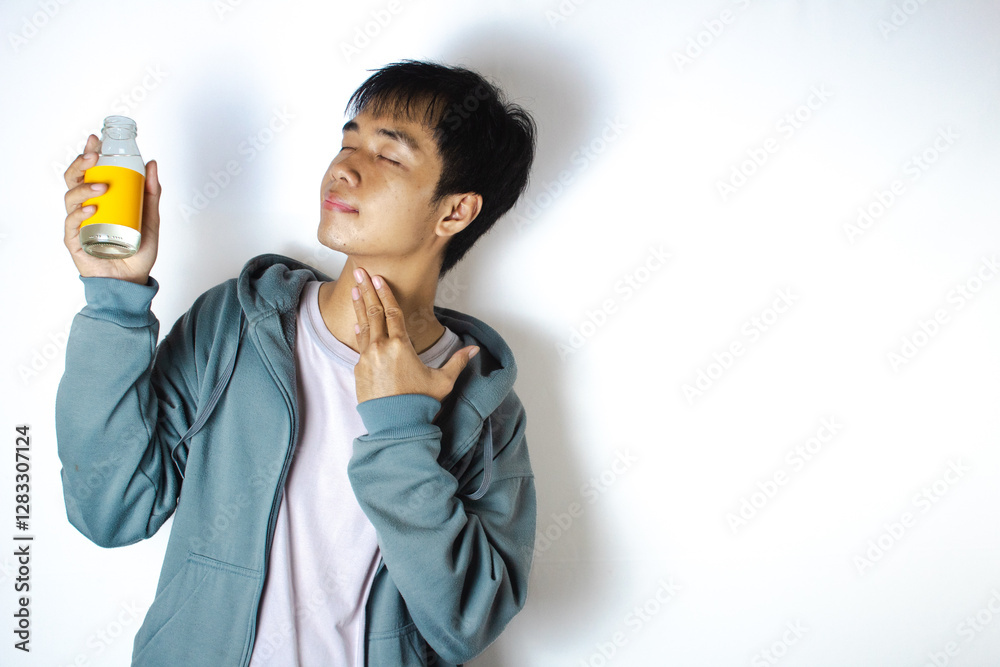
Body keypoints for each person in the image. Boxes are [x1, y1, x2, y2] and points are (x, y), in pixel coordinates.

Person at [56, 60, 537, 666]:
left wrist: (402, 429)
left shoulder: (483, 406)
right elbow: (110, 510)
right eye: (348, 142)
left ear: (455, 212)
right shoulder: (236, 324)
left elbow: (467, 622)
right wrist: (114, 300)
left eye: (389, 156)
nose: (344, 167)